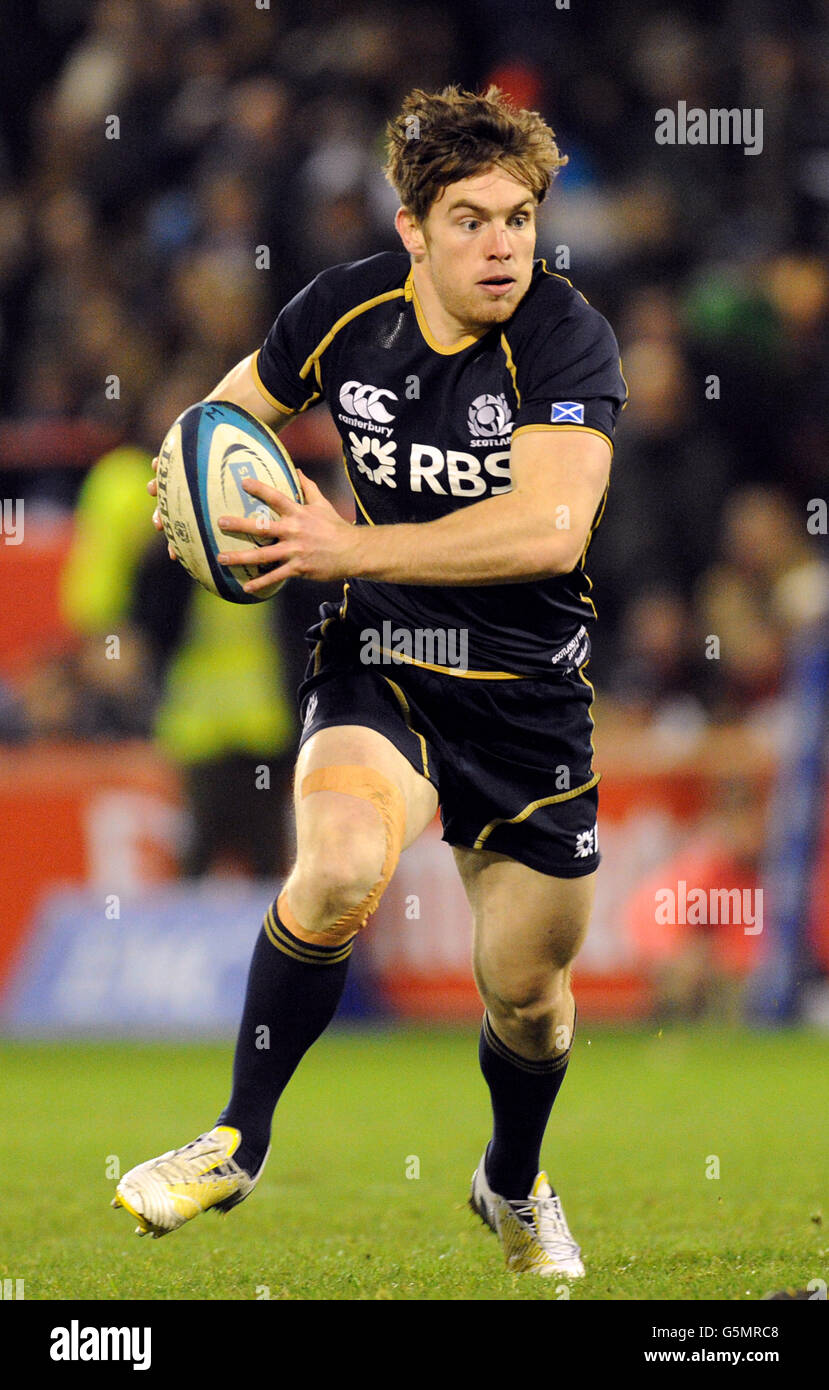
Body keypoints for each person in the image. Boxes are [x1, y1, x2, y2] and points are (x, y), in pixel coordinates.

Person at [112, 85, 627, 1279]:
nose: (503, 245)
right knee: (338, 865)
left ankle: (509, 1179)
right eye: (469, 219)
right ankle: (236, 1137)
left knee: (530, 997)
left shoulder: (563, 337)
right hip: (382, 657)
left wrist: (350, 544)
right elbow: (218, 419)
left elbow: (551, 529)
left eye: (518, 217)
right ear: (410, 228)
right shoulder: (341, 312)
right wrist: (184, 480)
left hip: (526, 691)